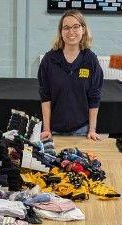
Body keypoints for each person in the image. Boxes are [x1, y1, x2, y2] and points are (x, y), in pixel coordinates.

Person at [37, 10, 103, 140]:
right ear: (61, 32)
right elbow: (45, 97)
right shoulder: (49, 60)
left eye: (76, 26)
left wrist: (92, 130)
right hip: (54, 131)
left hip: (82, 131)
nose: (71, 32)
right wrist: (46, 129)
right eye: (66, 28)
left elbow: (94, 97)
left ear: (83, 29)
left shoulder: (91, 60)